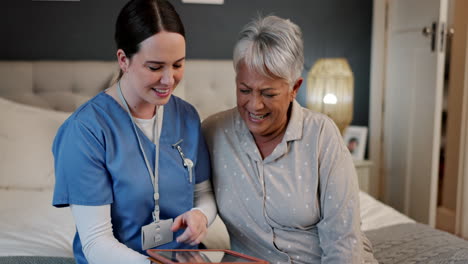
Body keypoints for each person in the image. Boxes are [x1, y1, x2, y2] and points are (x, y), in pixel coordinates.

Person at [202, 15, 377, 263]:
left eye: (268, 93)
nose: (254, 104)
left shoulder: (321, 136)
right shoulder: (213, 133)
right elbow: (191, 197)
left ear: (295, 88)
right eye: (244, 90)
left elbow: (343, 243)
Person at [52, 1, 216, 263]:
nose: (169, 80)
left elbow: (203, 195)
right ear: (123, 60)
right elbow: (96, 243)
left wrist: (201, 216)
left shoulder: (186, 116)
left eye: (178, 65)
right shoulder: (86, 131)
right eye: (155, 67)